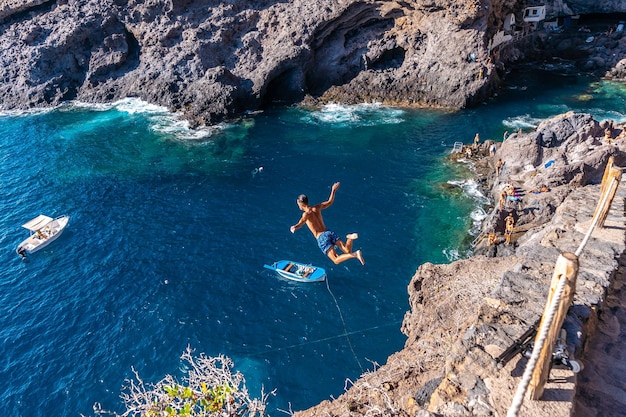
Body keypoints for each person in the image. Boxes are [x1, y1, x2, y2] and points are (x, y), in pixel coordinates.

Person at [290, 182, 365, 265]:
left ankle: (355, 254)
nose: (298, 206)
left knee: (336, 260)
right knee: (347, 250)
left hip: (321, 238)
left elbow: (301, 223)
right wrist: (333, 190)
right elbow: (329, 202)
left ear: (301, 204)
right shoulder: (316, 207)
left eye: (298, 204)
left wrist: (294, 227)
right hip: (328, 232)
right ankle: (349, 238)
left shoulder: (306, 214)